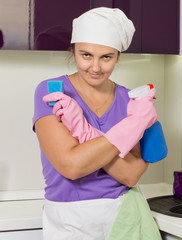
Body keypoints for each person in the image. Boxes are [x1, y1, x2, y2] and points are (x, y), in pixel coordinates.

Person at [32, 7, 162, 240]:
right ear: (72, 51)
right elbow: (71, 166)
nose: (95, 67)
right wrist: (130, 128)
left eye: (106, 57)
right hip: (69, 221)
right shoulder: (53, 92)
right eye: (86, 55)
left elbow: (130, 175)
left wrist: (82, 132)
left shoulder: (133, 102)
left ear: (118, 56)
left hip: (125, 216)